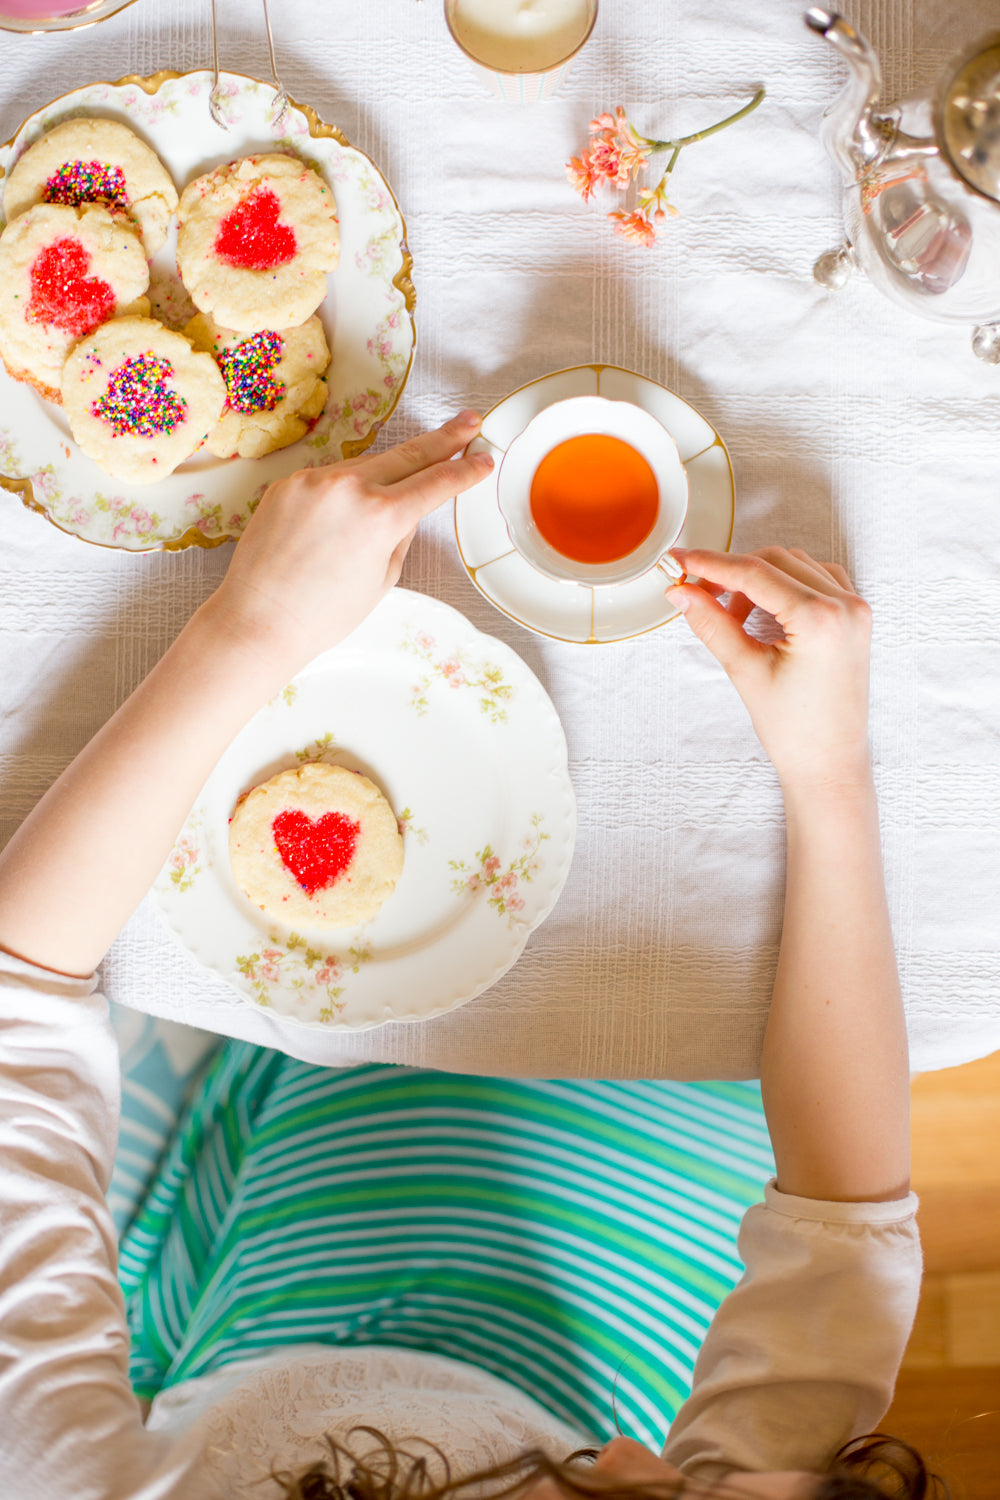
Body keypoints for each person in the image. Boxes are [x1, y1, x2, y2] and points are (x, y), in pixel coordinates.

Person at [0, 411, 938, 1500]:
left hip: (285, 1289)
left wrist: (249, 627)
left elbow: (18, 1003)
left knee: (293, 1056)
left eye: (620, 1498)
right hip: (613, 1292)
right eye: (686, 1484)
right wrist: (828, 772)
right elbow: (843, 1226)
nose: (635, 1453)